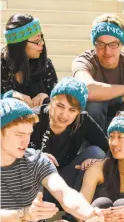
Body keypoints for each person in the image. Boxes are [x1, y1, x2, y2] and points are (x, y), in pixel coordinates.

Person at [0, 98, 104, 222]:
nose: (26, 141)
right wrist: (24, 214)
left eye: (29, 134)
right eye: (19, 134)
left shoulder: (36, 160)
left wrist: (90, 214)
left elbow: (65, 194)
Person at [28, 77, 108, 206]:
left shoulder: (83, 120)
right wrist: (35, 156)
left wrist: (97, 162)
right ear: (51, 101)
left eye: (72, 110)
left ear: (78, 112)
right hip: (35, 184)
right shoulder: (33, 118)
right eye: (60, 106)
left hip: (66, 180)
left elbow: (107, 148)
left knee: (96, 153)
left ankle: (76, 212)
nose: (64, 115)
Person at [72, 13, 124, 131]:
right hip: (91, 130)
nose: (107, 51)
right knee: (94, 105)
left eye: (113, 44)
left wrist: (113, 96)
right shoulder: (84, 61)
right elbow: (88, 90)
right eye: (100, 44)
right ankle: (97, 148)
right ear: (94, 43)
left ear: (121, 44)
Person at [1, 14, 58, 107]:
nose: (42, 43)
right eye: (36, 40)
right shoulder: (2, 66)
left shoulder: (45, 64)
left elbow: (59, 100)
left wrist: (46, 96)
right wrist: (10, 96)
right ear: (19, 45)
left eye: (41, 38)